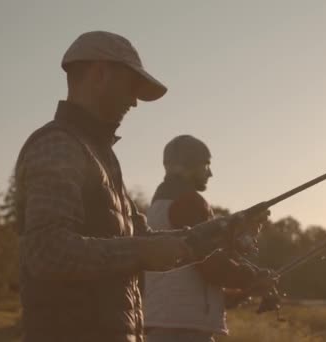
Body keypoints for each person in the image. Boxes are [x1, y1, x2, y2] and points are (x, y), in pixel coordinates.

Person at [14, 31, 267, 342]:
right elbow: (46, 251)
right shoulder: (59, 146)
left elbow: (143, 239)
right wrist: (142, 250)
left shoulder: (102, 156)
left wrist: (222, 231)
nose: (134, 101)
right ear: (100, 73)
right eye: (131, 86)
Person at [144, 135, 276, 342]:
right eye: (206, 165)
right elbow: (210, 263)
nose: (210, 173)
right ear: (187, 165)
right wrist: (252, 278)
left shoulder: (157, 207)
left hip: (165, 323)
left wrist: (238, 292)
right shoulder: (189, 202)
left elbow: (193, 267)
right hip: (182, 329)